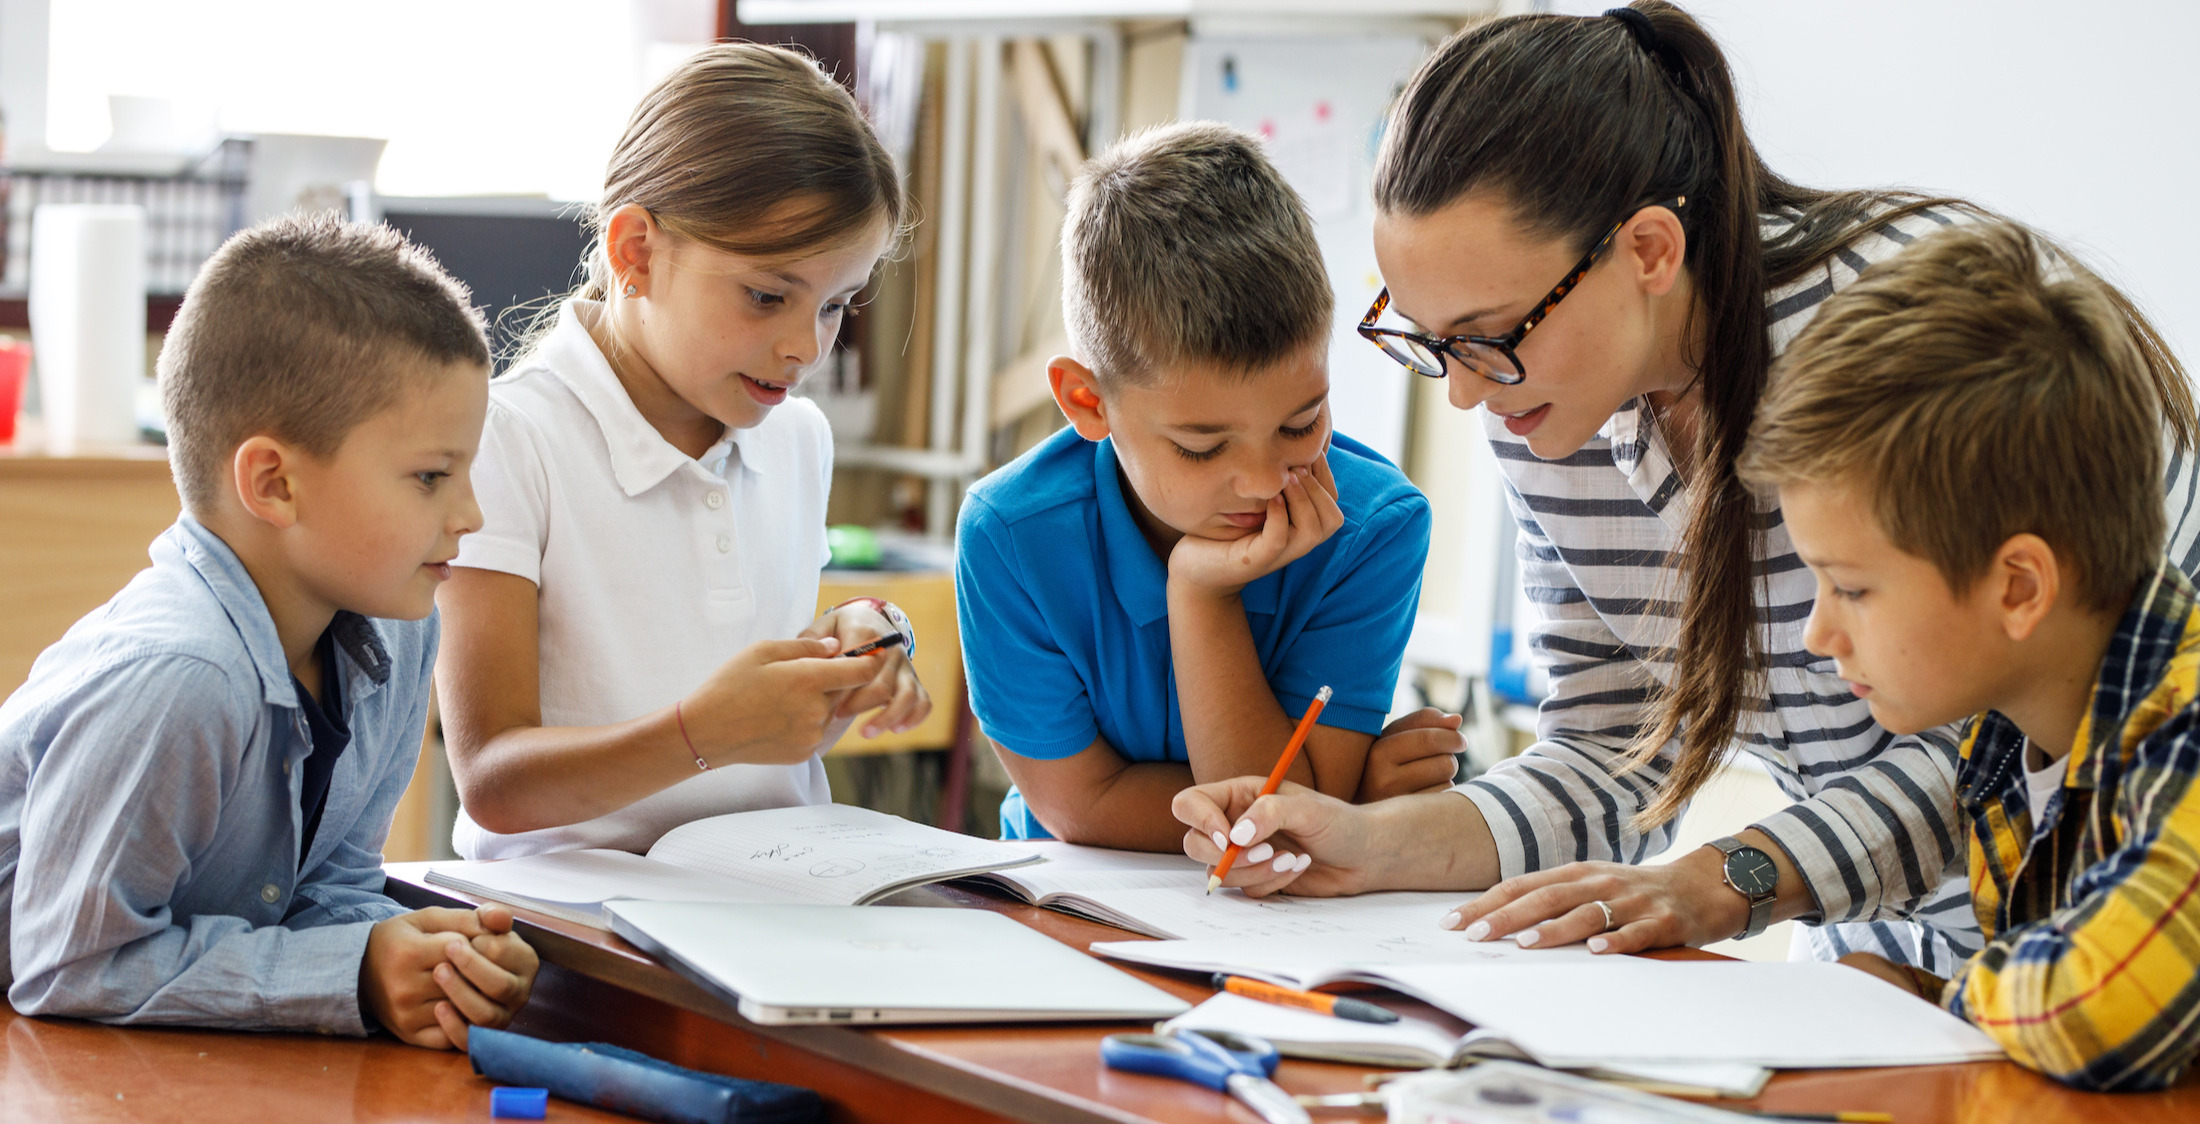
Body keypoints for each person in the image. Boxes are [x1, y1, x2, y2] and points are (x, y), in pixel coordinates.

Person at [1173, 0, 2200, 972]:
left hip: (2100, 939)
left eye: (1489, 338)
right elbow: (1617, 750)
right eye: (1432, 342)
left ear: (1648, 250)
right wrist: (1372, 843)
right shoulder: (1547, 402)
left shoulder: (1901, 354)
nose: (1466, 396)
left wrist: (1730, 875)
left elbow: (2006, 736)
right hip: (1875, 975)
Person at [0, 216, 539, 1048]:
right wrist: (347, 972)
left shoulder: (397, 634)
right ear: (274, 484)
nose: (470, 516)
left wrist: (419, 958)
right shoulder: (181, 676)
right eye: (431, 477)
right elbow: (66, 961)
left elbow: (330, 883)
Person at [436, 44, 930, 859]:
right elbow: (493, 781)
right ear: (636, 252)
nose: (804, 348)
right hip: (579, 923)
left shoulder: (798, 437)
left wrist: (845, 649)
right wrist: (700, 731)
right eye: (768, 296)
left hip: (775, 891)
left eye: (837, 305)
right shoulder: (511, 437)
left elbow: (747, 702)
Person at [1741, 221, 2200, 1092]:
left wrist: (1938, 1002)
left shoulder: (2187, 727)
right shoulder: (2002, 745)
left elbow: (2105, 1006)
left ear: (2019, 588)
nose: (1818, 634)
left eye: (1854, 588)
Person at [957, 122, 1455, 850]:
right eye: (1202, 446)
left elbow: (1279, 825)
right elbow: (1083, 810)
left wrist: (1200, 594)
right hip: (1060, 906)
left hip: (1280, 929)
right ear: (1088, 403)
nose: (1262, 481)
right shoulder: (1011, 536)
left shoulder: (1373, 528)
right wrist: (1340, 802)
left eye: (1301, 422)